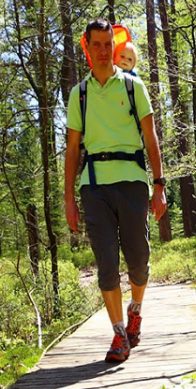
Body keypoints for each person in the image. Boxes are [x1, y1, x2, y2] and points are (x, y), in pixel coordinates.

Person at [64, 18, 167, 363]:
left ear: (115, 46)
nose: (105, 51)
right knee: (106, 265)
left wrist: (159, 185)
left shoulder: (132, 87)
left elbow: (150, 137)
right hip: (94, 186)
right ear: (88, 49)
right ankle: (119, 334)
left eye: (109, 45)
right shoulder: (79, 94)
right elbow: (73, 148)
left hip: (133, 181)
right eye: (97, 45)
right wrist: (69, 199)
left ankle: (135, 309)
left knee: (138, 260)